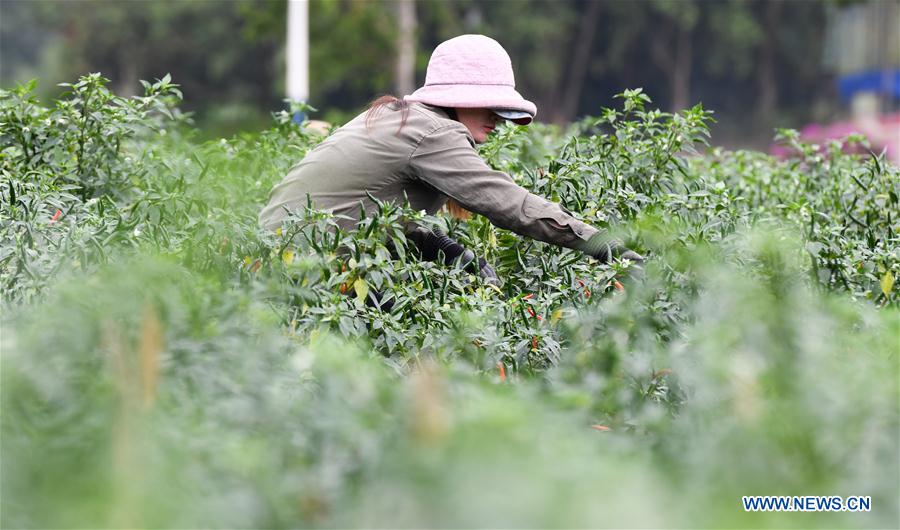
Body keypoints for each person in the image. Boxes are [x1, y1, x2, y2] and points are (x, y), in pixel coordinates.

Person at [259, 34, 642, 284]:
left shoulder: (405, 118)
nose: (497, 117)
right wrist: (607, 247)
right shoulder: (433, 131)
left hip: (276, 258)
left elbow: (387, 212)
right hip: (307, 272)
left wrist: (449, 248)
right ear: (456, 99)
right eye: (488, 104)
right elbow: (510, 205)